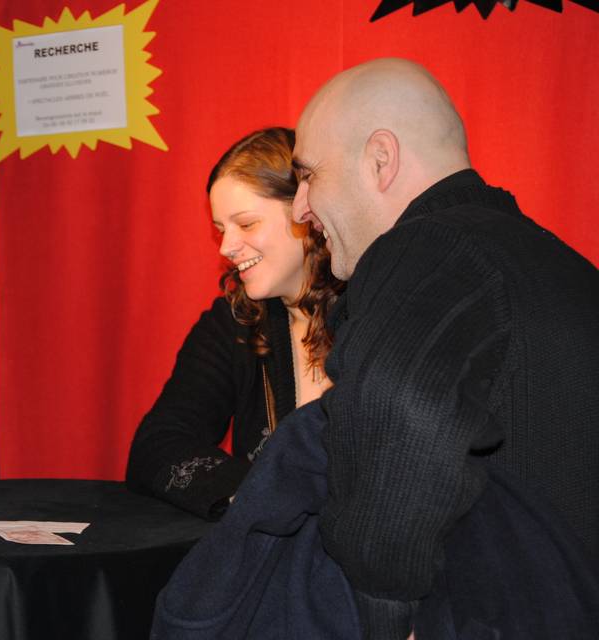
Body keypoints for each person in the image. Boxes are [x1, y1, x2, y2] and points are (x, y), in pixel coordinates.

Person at [290, 57, 599, 638]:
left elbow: (404, 412)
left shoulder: (424, 246)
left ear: (380, 159)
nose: (302, 207)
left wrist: (381, 611)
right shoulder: (561, 264)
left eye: (309, 174)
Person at [126, 127, 343, 519]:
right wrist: (255, 496)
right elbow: (157, 445)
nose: (226, 248)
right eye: (220, 230)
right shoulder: (232, 323)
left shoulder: (377, 312)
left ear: (305, 212)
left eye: (246, 224)